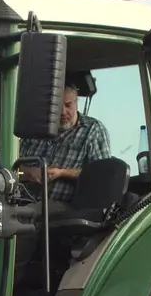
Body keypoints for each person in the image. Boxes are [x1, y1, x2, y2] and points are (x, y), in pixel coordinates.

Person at [17, 73, 111, 207]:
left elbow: (102, 176)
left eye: (68, 105)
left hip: (62, 214)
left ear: (76, 101)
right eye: (56, 106)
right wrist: (28, 172)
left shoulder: (93, 131)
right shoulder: (35, 128)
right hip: (19, 206)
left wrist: (62, 173)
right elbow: (13, 169)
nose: (62, 112)